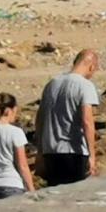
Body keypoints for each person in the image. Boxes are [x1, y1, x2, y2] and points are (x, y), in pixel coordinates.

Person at [36, 50, 101, 185]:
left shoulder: (52, 83)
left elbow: (40, 119)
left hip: (51, 151)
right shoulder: (84, 85)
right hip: (74, 151)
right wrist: (92, 155)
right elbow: (87, 121)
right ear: (91, 67)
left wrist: (40, 151)